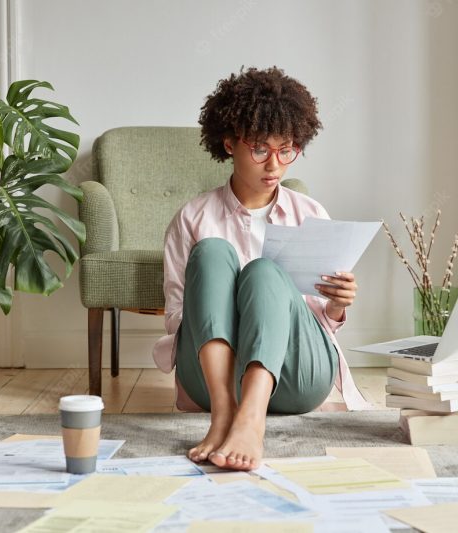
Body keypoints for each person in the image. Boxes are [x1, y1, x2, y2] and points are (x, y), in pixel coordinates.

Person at [152, 66, 372, 472]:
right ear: (230, 143)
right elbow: (177, 317)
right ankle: (223, 416)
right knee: (213, 253)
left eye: (286, 149)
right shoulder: (193, 218)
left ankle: (251, 421)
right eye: (260, 149)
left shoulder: (310, 214)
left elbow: (322, 321)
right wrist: (230, 318)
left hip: (294, 378)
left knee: (264, 272)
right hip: (211, 379)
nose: (275, 165)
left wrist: (338, 305)